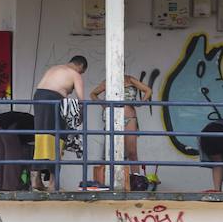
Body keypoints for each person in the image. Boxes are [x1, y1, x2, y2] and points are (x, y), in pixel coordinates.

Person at [87, 72, 152, 190]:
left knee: (132, 152)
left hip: (129, 118)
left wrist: (141, 102)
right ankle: (106, 183)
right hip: (112, 119)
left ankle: (135, 181)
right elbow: (93, 94)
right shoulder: (108, 81)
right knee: (109, 152)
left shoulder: (130, 79)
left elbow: (148, 90)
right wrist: (103, 105)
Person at [31, 57, 87, 193]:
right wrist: (81, 118)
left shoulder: (54, 68)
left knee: (42, 137)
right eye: (82, 72)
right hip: (53, 100)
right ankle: (53, 184)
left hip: (39, 97)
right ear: (80, 66)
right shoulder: (75, 74)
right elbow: (81, 100)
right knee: (57, 139)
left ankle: (36, 179)